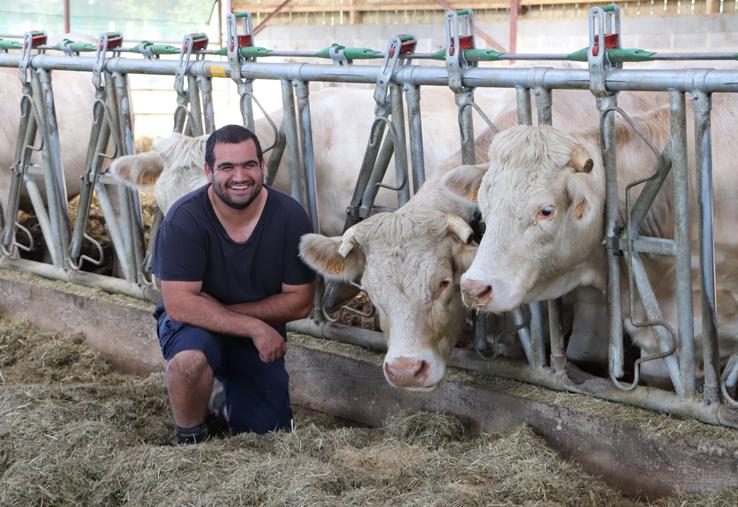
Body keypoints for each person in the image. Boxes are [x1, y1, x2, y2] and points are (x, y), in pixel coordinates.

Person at [152, 124, 315, 444]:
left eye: (249, 165)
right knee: (189, 361)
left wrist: (218, 311)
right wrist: (253, 326)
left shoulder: (289, 215)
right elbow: (180, 304)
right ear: (208, 170)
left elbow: (301, 302)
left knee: (269, 433)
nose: (240, 177)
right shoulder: (185, 217)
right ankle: (190, 437)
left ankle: (222, 403)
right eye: (227, 167)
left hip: (251, 328)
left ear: (263, 167)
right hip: (194, 326)